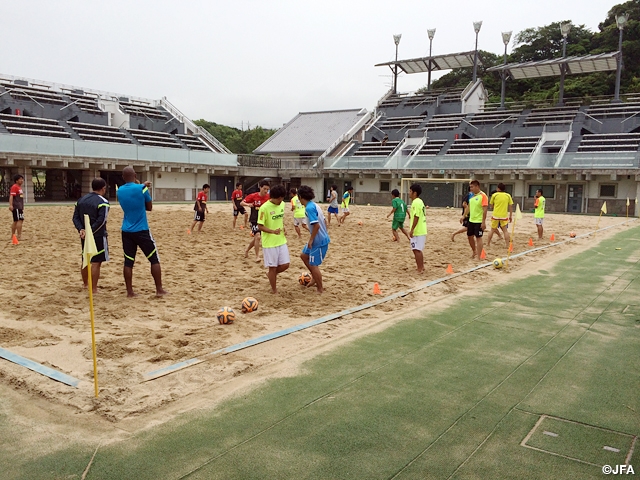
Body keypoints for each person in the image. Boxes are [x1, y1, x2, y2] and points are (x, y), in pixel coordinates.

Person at [117, 166, 168, 297]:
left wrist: (141, 186)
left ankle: (129, 291)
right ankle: (159, 289)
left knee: (128, 261)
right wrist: (143, 187)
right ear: (135, 175)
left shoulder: (120, 191)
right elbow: (149, 207)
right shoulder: (142, 188)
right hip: (141, 229)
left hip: (126, 230)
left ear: (123, 177)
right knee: (154, 259)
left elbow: (130, 194)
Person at [72, 178, 109, 293]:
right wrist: (89, 231)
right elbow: (101, 221)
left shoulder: (81, 200)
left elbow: (75, 217)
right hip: (97, 235)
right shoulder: (103, 202)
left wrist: (81, 229)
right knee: (96, 261)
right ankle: (93, 288)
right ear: (103, 188)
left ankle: (85, 284)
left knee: (85, 259)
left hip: (84, 234)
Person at [298, 185, 330, 293]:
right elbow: (325, 222)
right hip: (319, 238)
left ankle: (320, 288)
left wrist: (311, 239)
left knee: (313, 264)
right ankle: (314, 279)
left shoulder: (309, 208)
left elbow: (317, 226)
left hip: (318, 241)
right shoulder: (314, 205)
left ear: (300, 197)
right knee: (303, 256)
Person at [257, 185, 289, 294]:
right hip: (269, 243)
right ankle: (274, 290)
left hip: (281, 240)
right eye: (279, 198)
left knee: (286, 265)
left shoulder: (282, 204)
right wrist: (272, 231)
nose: (281, 200)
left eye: (282, 198)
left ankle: (271, 275)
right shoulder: (264, 208)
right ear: (274, 197)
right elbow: (259, 226)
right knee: (272, 267)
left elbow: (280, 220)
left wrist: (284, 228)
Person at [242, 180, 270, 262]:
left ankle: (247, 249)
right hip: (254, 220)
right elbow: (241, 203)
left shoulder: (268, 197)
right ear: (260, 187)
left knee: (256, 239)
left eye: (267, 189)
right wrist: (248, 205)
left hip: (265, 220)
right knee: (258, 237)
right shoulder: (253, 196)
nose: (265, 191)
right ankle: (257, 256)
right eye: (264, 188)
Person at [464, 180, 488, 259]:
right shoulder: (471, 195)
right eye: (470, 187)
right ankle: (474, 251)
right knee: (469, 236)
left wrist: (483, 222)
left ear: (477, 186)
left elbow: (485, 210)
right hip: (471, 220)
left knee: (478, 237)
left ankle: (479, 256)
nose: (471, 188)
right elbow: (469, 207)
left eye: (472, 187)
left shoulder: (483, 196)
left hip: (479, 221)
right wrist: (463, 216)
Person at [486, 183, 513, 248]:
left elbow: (491, 205)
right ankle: (507, 245)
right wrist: (510, 216)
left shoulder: (494, 195)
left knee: (492, 230)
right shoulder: (508, 195)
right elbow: (511, 206)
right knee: (505, 231)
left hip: (495, 215)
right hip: (504, 215)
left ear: (498, 188)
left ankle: (488, 244)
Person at [408, 184, 427, 273]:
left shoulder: (416, 202)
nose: (409, 193)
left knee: (416, 250)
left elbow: (416, 216)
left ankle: (420, 268)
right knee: (417, 249)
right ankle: (421, 267)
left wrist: (412, 229)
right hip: (421, 229)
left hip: (418, 230)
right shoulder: (420, 201)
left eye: (410, 191)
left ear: (414, 193)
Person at [8, 174, 25, 241]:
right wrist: (11, 205)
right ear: (16, 180)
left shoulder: (19, 187)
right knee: (19, 220)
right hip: (16, 206)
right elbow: (11, 196)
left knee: (16, 221)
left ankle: (13, 235)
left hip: (19, 206)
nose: (22, 180)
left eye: (22, 179)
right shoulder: (14, 187)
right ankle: (19, 235)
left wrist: (22, 206)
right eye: (20, 179)